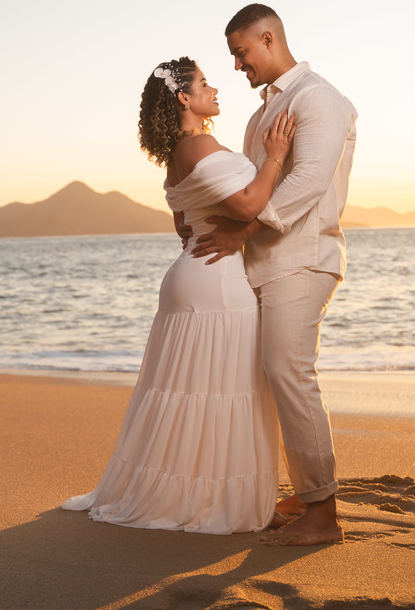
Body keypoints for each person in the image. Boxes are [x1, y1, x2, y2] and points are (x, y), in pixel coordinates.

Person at [62, 56, 295, 534]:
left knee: (195, 391)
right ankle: (223, 501)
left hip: (192, 273)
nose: (215, 90)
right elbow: (249, 204)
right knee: (227, 390)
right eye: (205, 83)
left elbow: (183, 225)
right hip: (215, 280)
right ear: (184, 98)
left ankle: (205, 493)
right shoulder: (199, 145)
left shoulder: (177, 155)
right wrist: (275, 156)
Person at [192, 4, 357, 546]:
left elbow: (307, 181)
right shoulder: (260, 115)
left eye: (241, 53)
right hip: (263, 264)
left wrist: (241, 232)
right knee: (270, 379)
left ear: (268, 39)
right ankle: (307, 493)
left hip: (302, 258)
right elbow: (252, 189)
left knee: (289, 372)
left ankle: (323, 513)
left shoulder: (318, 98)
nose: (237, 65)